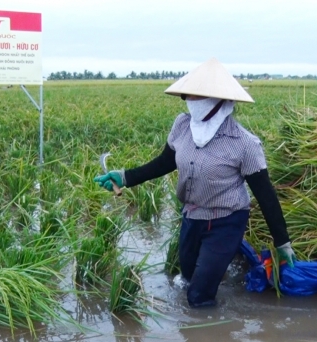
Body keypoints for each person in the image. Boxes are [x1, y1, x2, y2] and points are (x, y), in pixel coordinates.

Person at [94, 57, 295, 308]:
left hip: (226, 221)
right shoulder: (182, 126)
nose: (189, 101)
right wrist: (124, 177)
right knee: (187, 278)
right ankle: (217, 272)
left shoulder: (244, 143)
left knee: (198, 297)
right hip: (192, 216)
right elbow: (164, 163)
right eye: (187, 95)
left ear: (218, 101)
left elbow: (265, 196)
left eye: (196, 96)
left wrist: (282, 243)